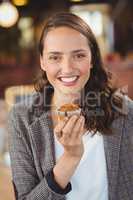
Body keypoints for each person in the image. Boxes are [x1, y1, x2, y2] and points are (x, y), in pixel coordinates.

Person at [8, 12, 133, 200]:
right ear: (42, 61)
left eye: (79, 55)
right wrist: (71, 157)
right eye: (55, 57)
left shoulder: (124, 110)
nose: (67, 68)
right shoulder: (22, 117)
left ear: (92, 59)